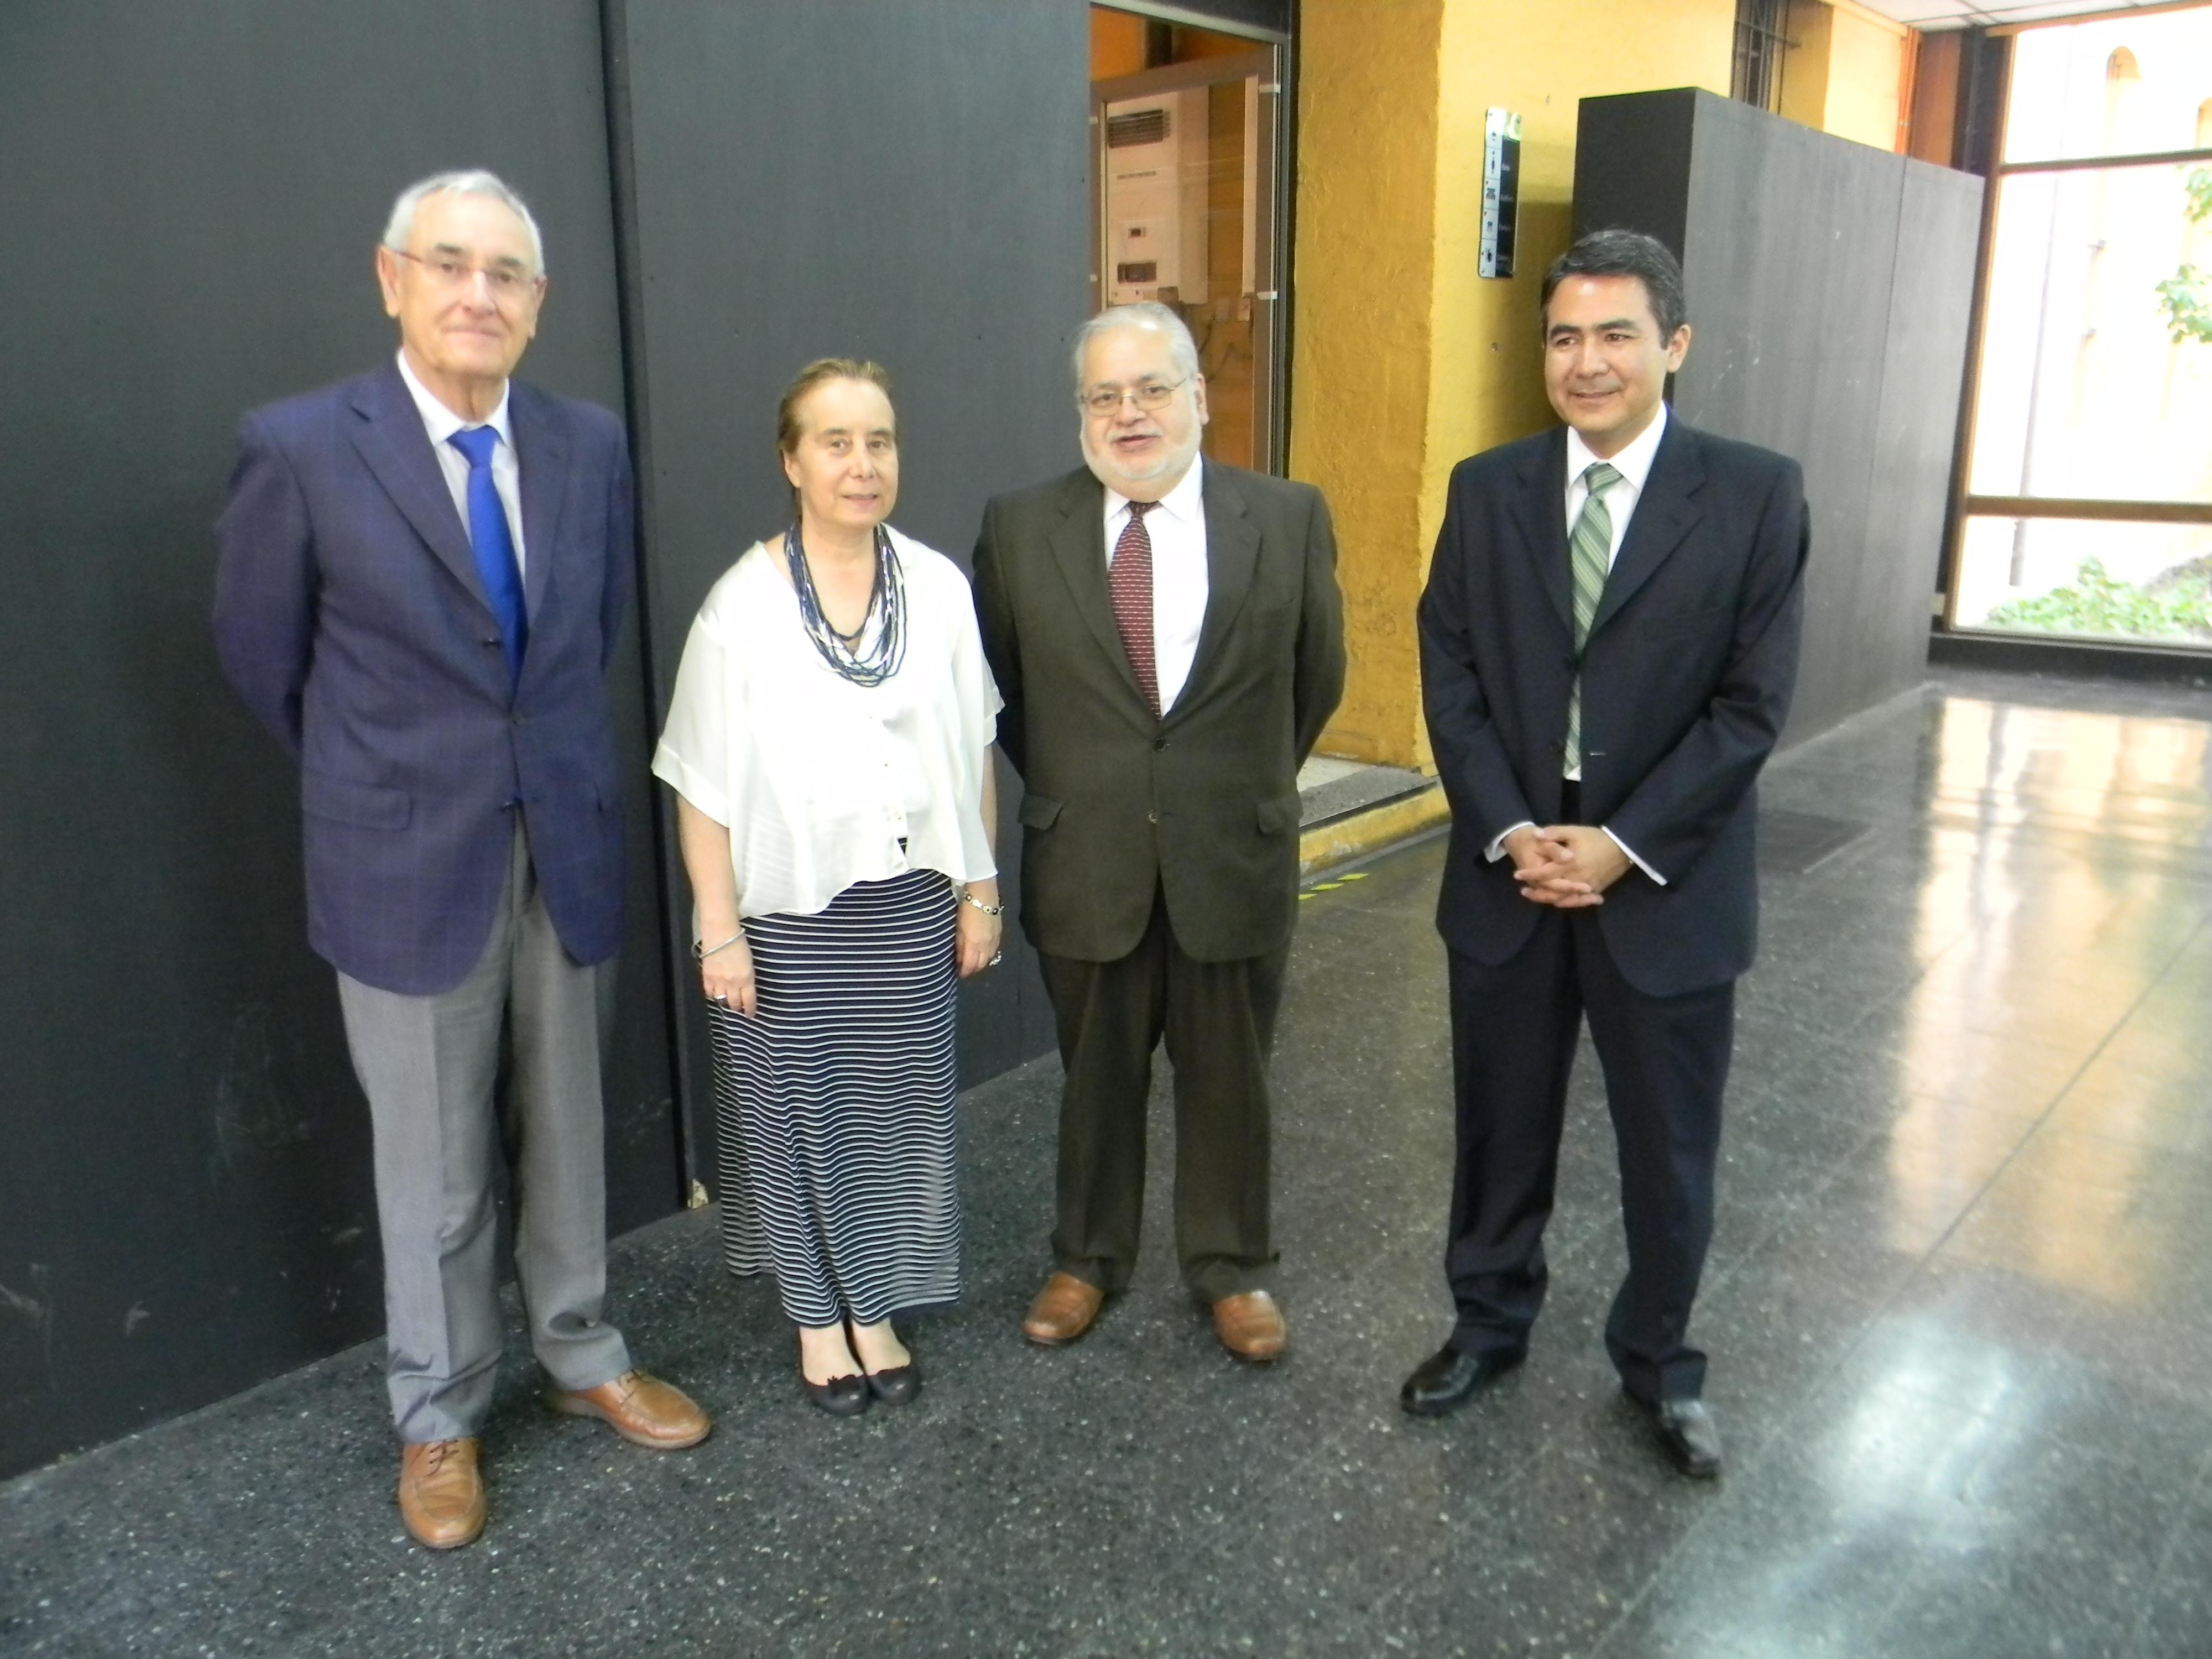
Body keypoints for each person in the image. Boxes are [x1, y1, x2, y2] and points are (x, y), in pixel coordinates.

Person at [212, 170, 709, 1551]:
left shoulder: (587, 443)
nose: (477, 294)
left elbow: (587, 632)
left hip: (567, 839)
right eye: (450, 265)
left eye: (505, 274)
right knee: (433, 1174)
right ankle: (438, 1417)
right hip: (400, 860)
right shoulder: (303, 445)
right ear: (392, 280)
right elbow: (264, 659)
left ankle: (580, 1354)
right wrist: (390, 777)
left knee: (564, 1133)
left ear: (538, 306)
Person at [1403, 229, 1808, 1477]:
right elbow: (1451, 669)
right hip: (1512, 870)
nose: (1586, 363)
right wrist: (1517, 831)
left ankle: (1658, 1365)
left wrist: (1620, 847)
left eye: (1616, 335)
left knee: (1667, 1147)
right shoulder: (1486, 489)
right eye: (1564, 337)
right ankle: (1487, 1322)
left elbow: (1749, 707)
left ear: (1671, 346)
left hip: (1661, 881)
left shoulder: (1751, 493)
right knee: (1497, 1128)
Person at [972, 302, 1345, 1364]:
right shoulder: (1017, 526)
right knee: (1095, 1076)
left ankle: (1231, 1269)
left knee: (1233, 1073)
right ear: (1080, 412)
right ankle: (1087, 1257)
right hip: (1088, 852)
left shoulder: (1286, 516)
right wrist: (1087, 787)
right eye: (1104, 395)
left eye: (1150, 389)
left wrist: (1227, 786)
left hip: (1233, 848)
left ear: (1198, 398)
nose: (1128, 413)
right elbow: (1001, 692)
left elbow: (1316, 679)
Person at [653, 359, 1003, 1416]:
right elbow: (699, 781)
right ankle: (818, 1317)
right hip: (789, 914)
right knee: (798, 1115)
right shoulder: (741, 607)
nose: (863, 464)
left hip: (909, 906)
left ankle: (878, 1304)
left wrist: (980, 889)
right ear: (792, 460)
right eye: (838, 442)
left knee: (894, 1113)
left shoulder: (938, 587)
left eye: (880, 441)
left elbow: (973, 745)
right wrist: (719, 933)